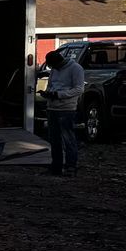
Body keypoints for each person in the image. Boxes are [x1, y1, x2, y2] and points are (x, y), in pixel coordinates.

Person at [41, 48, 85, 176]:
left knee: (68, 139)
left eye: (53, 65)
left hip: (66, 108)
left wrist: (59, 95)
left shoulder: (76, 69)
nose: (52, 68)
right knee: (54, 140)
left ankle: (71, 166)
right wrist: (48, 93)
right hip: (52, 107)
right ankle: (56, 166)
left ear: (58, 62)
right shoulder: (55, 69)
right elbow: (51, 85)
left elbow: (79, 89)